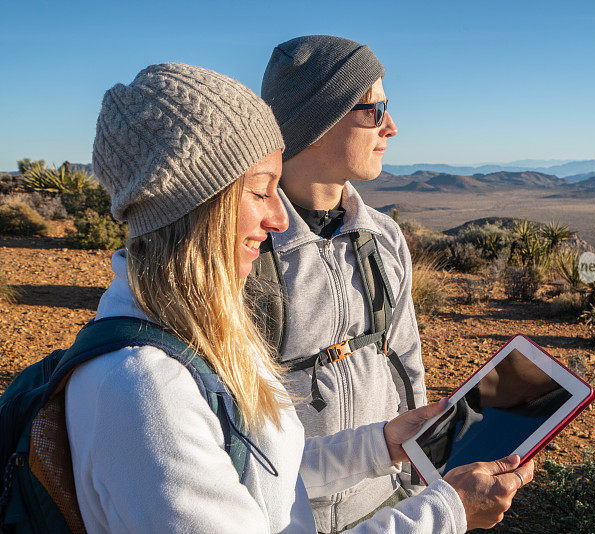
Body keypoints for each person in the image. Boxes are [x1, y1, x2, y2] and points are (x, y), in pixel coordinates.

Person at [64, 62, 534, 533]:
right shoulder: (147, 391)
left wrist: (382, 444)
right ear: (197, 206)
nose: (280, 220)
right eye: (260, 191)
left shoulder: (201, 336)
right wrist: (448, 513)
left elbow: (263, 475)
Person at [257, 35, 425, 532]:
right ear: (317, 122)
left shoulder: (384, 237)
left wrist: (419, 482)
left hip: (384, 503)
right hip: (285, 516)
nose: (391, 127)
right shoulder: (245, 251)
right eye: (375, 111)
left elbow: (406, 364)